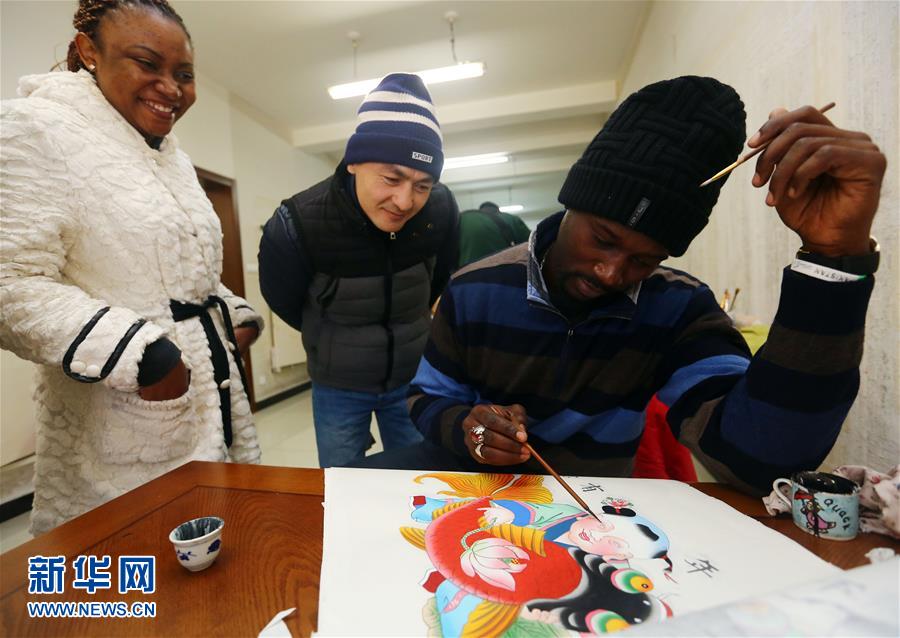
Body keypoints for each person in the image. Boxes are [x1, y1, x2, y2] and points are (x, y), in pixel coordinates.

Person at [356, 75, 885, 496]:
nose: (612, 274)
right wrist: (467, 428)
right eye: (602, 238)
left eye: (645, 259)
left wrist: (832, 262)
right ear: (572, 203)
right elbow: (427, 397)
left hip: (594, 506)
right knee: (353, 492)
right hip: (475, 488)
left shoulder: (677, 308)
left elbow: (761, 460)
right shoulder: (476, 288)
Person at [0, 0, 263, 535]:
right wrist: (142, 355)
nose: (170, 87)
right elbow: (11, 283)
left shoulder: (171, 155)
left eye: (184, 74)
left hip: (212, 397)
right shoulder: (34, 128)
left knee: (217, 563)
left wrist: (230, 312)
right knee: (128, 582)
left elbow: (181, 269)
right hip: (124, 415)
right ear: (88, 51)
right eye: (147, 63)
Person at [258, 73, 459, 468]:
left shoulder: (440, 210)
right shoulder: (298, 222)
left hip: (412, 379)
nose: (404, 201)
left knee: (421, 481)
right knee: (342, 483)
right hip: (338, 385)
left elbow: (439, 281)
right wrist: (333, 337)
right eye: (392, 178)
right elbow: (284, 300)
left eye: (423, 185)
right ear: (354, 162)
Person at [457, 201, 531, 267]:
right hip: (502, 272)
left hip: (465, 274)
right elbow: (531, 245)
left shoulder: (462, 219)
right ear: (497, 210)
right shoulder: (511, 219)